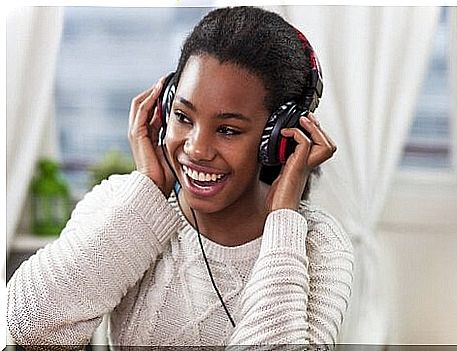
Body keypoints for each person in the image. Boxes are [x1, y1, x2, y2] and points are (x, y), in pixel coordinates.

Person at [7, 6, 354, 349]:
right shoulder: (120, 204)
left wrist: (282, 220)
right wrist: (149, 193)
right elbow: (31, 326)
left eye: (228, 130)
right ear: (162, 108)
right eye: (183, 117)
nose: (197, 148)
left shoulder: (315, 244)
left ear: (279, 138)